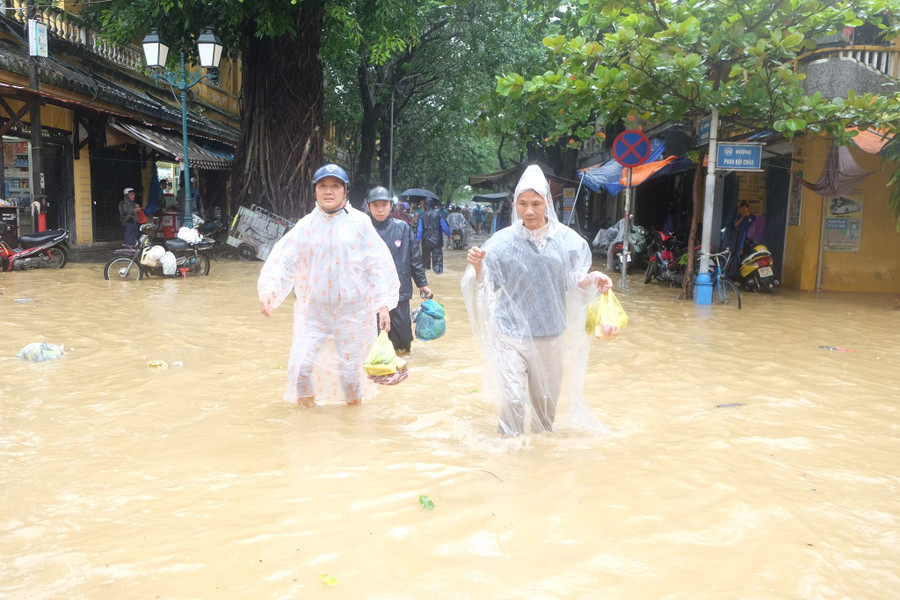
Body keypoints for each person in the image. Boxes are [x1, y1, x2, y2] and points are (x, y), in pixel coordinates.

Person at [461, 165, 613, 437]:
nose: (528, 211)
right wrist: (477, 267)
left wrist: (595, 278)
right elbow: (488, 285)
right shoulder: (500, 243)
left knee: (545, 408)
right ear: (514, 204)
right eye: (522, 204)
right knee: (514, 400)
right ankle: (510, 454)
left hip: (550, 334)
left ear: (547, 204)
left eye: (535, 203)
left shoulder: (567, 241)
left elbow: (573, 279)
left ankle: (541, 460)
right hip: (511, 335)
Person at [258, 164, 400, 407]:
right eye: (323, 185)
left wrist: (384, 304)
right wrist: (271, 290)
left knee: (350, 373)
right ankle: (306, 419)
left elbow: (378, 265)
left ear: (345, 191)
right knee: (302, 367)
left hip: (353, 314)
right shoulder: (306, 226)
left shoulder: (360, 224)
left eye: (335, 186)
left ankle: (352, 420)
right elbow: (284, 260)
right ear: (315, 190)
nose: (328, 191)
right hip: (314, 314)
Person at [366, 186, 432, 354]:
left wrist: (422, 284)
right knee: (374, 339)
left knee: (403, 341)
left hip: (399, 291)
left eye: (384, 205)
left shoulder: (402, 228)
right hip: (370, 293)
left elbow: (414, 258)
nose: (380, 209)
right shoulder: (363, 229)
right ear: (369, 207)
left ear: (391, 206)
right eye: (375, 205)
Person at [417, 197, 451, 274]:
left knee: (425, 261)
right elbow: (444, 227)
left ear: (425, 205)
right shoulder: (438, 215)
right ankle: (438, 272)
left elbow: (420, 230)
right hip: (437, 241)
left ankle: (426, 271)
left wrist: (417, 241)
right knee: (438, 260)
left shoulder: (422, 216)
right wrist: (449, 235)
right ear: (433, 205)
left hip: (426, 241)